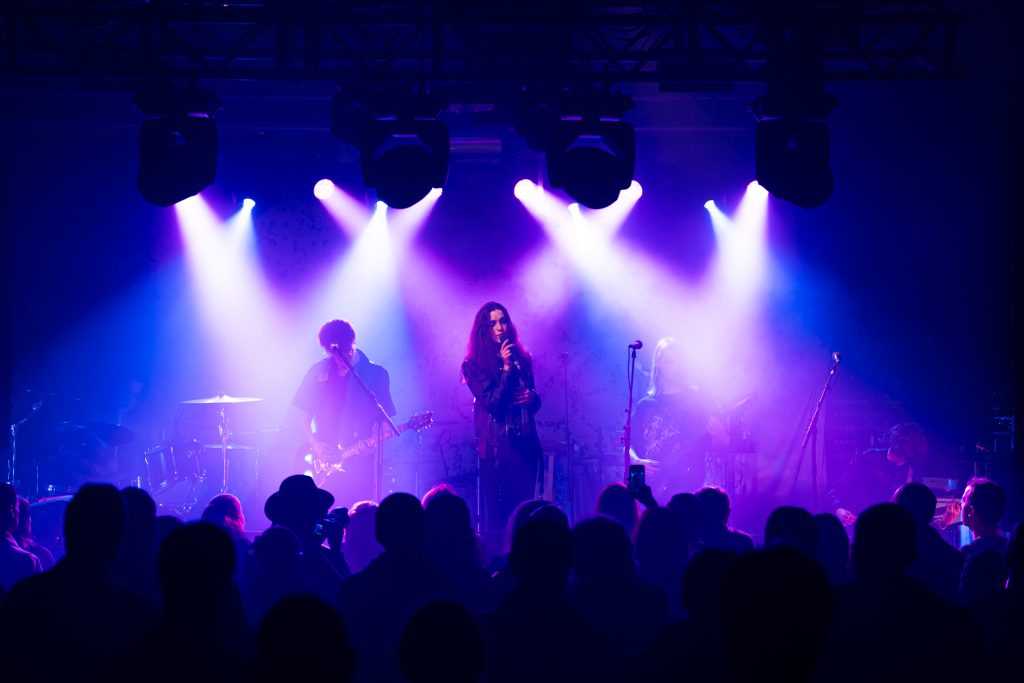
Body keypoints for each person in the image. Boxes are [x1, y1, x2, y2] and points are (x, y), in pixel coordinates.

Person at [293, 318, 396, 507]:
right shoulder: (318, 371)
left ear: (353, 345)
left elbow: (385, 420)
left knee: (357, 513)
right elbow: (305, 417)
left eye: (345, 353)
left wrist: (375, 441)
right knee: (322, 514)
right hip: (324, 460)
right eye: (334, 355)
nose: (340, 360)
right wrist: (314, 443)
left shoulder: (376, 374)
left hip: (360, 462)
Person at [461, 302, 543, 534]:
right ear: (484, 329)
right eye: (493, 323)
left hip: (525, 443)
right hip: (498, 450)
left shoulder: (522, 358)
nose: (500, 327)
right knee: (501, 517)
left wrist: (532, 397)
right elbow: (493, 404)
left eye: (503, 321)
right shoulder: (473, 366)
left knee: (526, 513)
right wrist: (506, 369)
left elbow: (535, 401)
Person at [630, 337, 729, 496]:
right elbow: (627, 445)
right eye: (669, 361)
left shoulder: (699, 399)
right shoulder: (644, 405)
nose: (674, 366)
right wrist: (636, 462)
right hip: (650, 490)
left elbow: (722, 445)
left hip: (687, 490)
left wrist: (720, 433)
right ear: (658, 363)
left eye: (677, 361)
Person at [830, 421, 927, 526]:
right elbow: (837, 488)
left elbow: (914, 510)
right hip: (858, 526)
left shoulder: (912, 472)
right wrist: (839, 510)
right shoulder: (869, 457)